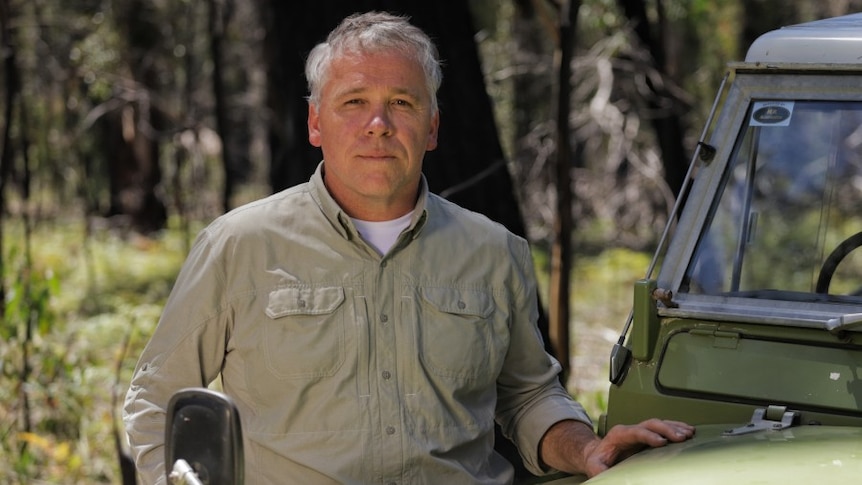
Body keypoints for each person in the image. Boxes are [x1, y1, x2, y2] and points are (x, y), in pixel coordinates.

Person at [123, 11, 694, 484]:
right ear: (316, 122)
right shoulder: (238, 247)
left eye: (402, 102)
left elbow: (527, 397)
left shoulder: (494, 252)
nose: (378, 124)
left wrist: (586, 450)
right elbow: (156, 401)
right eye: (353, 102)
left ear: (433, 126)